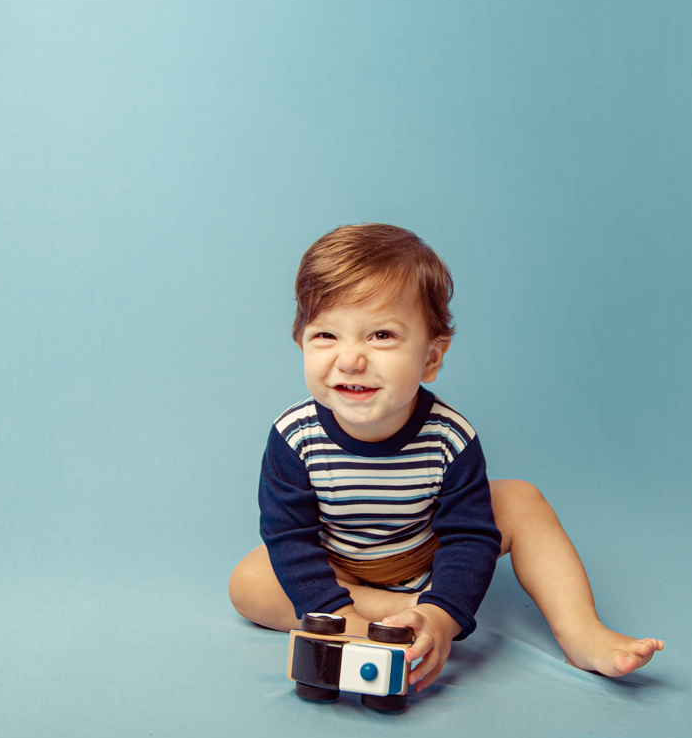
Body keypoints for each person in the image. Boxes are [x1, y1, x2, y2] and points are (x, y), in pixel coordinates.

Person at [228, 223, 664, 692]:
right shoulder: (294, 437)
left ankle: (580, 630)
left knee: (520, 500)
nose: (350, 359)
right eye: (326, 336)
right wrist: (338, 612)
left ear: (431, 358)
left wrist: (441, 617)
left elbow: (470, 538)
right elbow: (290, 537)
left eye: (381, 335)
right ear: (300, 343)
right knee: (248, 583)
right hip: (339, 562)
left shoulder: (449, 438)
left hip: (425, 548)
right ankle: (373, 617)